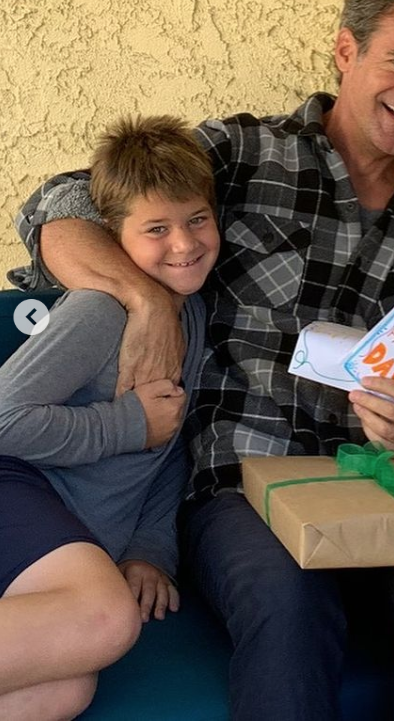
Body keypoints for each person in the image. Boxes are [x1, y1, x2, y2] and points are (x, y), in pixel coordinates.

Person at [12, 0, 394, 720]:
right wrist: (145, 300)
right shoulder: (240, 154)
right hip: (240, 487)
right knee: (287, 601)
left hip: (390, 488)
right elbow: (57, 207)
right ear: (346, 51)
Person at [0, 115, 220, 720]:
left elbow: (169, 447)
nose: (184, 244)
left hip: (66, 538)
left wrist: (150, 549)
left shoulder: (192, 314)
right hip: (17, 487)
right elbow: (3, 419)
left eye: (198, 219)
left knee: (63, 692)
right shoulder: (101, 311)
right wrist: (127, 425)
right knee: (104, 618)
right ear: (113, 235)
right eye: (157, 229)